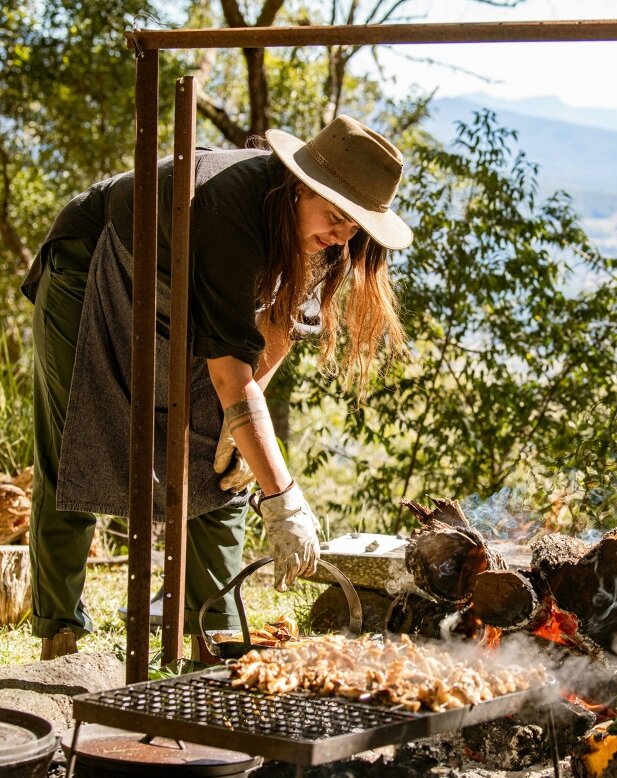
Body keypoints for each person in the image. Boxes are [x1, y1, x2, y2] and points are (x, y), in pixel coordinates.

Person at [21, 115, 412, 660]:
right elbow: (230, 374)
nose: (343, 233)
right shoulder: (231, 208)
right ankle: (60, 635)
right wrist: (284, 501)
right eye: (336, 215)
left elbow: (277, 329)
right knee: (74, 446)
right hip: (93, 266)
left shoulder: (325, 235)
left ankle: (214, 635)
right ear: (301, 185)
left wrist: (243, 439)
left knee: (225, 468)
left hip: (182, 283)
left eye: (356, 224)